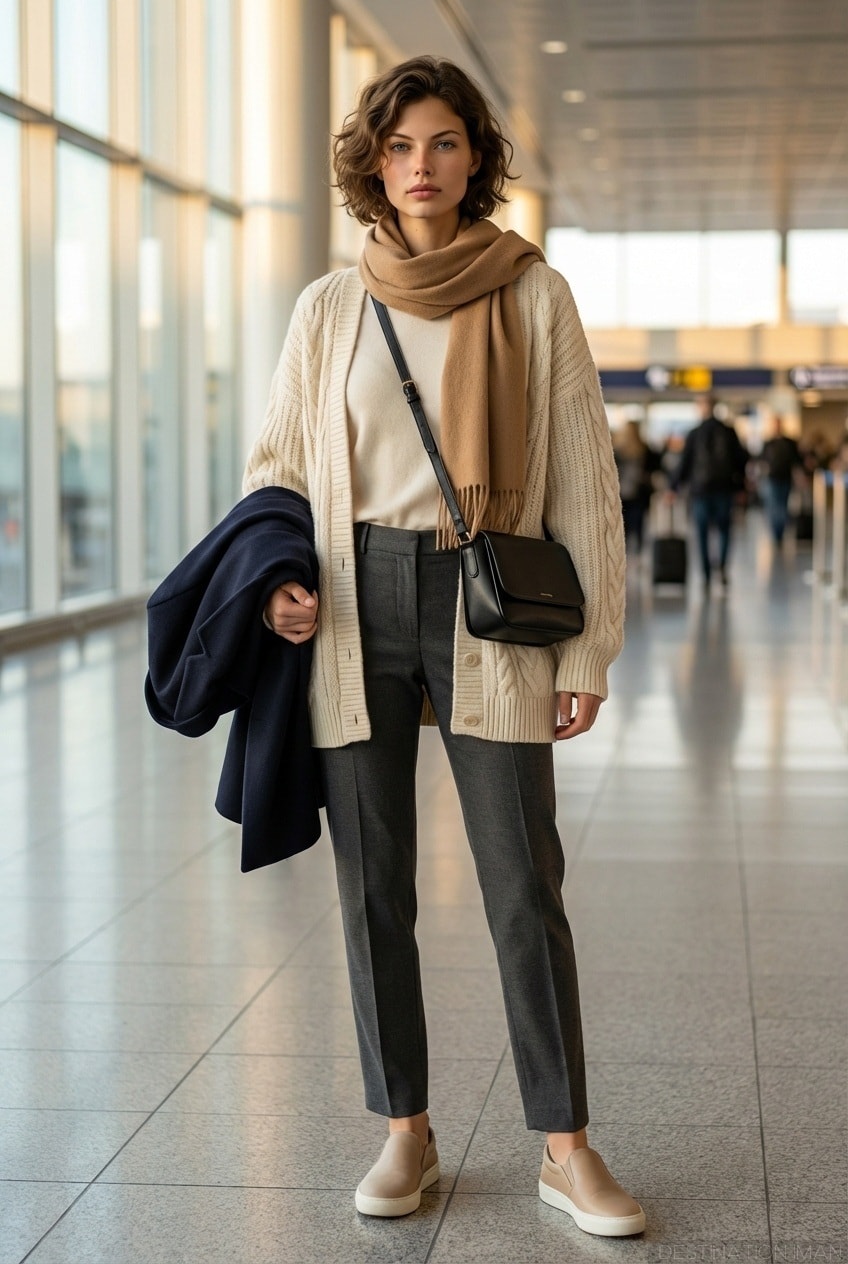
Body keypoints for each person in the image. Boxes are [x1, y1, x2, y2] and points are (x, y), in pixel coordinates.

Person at [243, 56, 643, 1239]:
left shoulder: (531, 294)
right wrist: (280, 586)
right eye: (400, 147)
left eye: (443, 144)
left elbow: (581, 478)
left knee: (524, 883)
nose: (421, 166)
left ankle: (564, 1145)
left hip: (490, 603)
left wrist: (588, 653)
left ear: (476, 159)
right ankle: (403, 1130)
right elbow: (276, 469)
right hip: (353, 601)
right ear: (374, 164)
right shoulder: (328, 307)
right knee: (371, 886)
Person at [669, 395, 748, 588]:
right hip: (724, 489)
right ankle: (721, 566)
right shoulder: (728, 431)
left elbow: (685, 463)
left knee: (702, 533)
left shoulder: (695, 434)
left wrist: (673, 487)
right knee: (724, 530)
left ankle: (705, 574)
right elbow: (741, 460)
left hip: (700, 491)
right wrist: (740, 487)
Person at [612, 418, 660, 554]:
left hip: (629, 494)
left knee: (626, 528)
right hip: (633, 494)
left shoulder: (619, 450)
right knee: (636, 527)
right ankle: (635, 554)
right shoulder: (619, 451)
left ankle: (627, 554)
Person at [758, 416, 801, 545]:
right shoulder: (768, 443)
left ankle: (781, 532)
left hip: (786, 478)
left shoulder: (789, 443)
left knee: (783, 506)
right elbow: (762, 461)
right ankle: (776, 533)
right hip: (772, 478)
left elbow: (796, 461)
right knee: (773, 506)